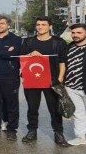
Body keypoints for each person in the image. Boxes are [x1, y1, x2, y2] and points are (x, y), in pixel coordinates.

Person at [19, 16, 68, 146]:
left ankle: (58, 133)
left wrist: (60, 79)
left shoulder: (58, 42)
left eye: (43, 25)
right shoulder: (28, 42)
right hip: (32, 80)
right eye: (38, 25)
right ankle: (32, 131)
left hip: (52, 80)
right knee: (32, 108)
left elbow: (63, 62)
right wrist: (29, 55)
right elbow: (21, 59)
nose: (40, 27)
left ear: (50, 27)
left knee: (54, 108)